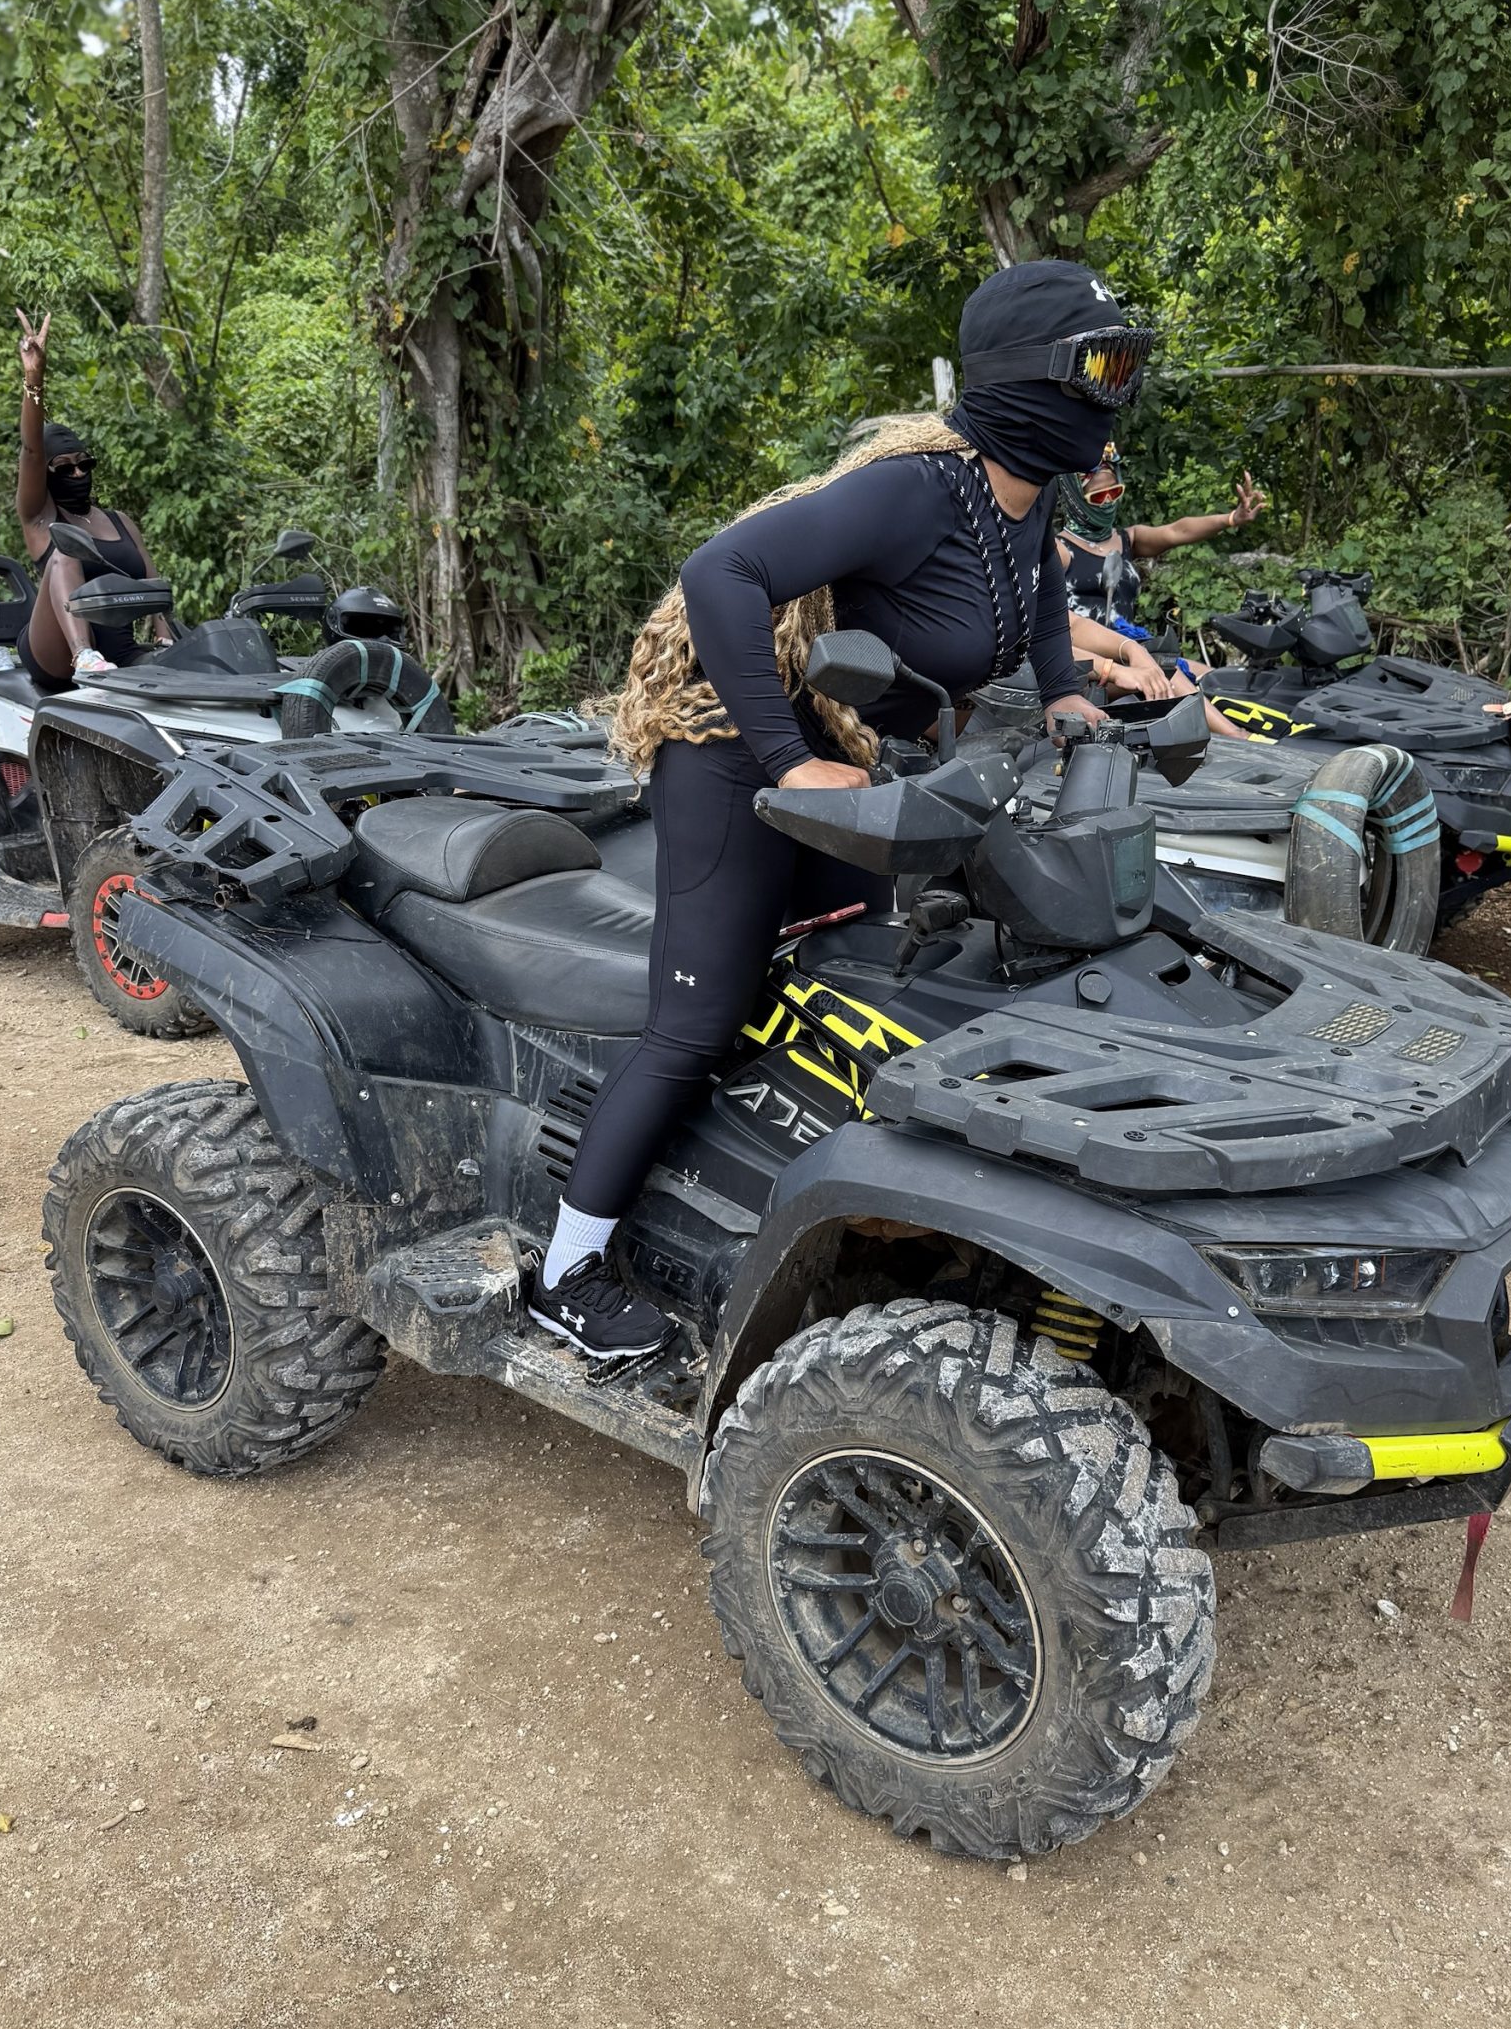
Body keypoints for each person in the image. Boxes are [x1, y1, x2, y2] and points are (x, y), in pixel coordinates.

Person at [527, 259, 1150, 1362]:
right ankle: (566, 1267)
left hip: (846, 745)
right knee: (697, 1020)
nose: (1115, 392)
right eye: (1097, 368)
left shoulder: (1027, 491)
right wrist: (782, 757)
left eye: (1125, 363)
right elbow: (722, 569)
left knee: (867, 972)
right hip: (733, 741)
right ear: (1029, 382)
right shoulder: (917, 488)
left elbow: (1040, 591)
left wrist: (1062, 691)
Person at [12, 309, 173, 691]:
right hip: (54, 653)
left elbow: (152, 585)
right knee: (67, 551)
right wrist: (34, 377)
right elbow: (33, 451)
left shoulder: (120, 521)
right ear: (48, 476)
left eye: (85, 464)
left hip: (120, 650)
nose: (79, 474)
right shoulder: (40, 517)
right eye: (65, 468)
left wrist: (167, 640)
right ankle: (83, 653)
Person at [1058, 445, 1264, 728]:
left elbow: (1177, 530)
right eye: (1098, 495)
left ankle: (1264, 729)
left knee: (1212, 676)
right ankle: (1240, 741)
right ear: (1075, 496)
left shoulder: (1126, 539)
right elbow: (1064, 627)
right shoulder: (1061, 550)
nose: (1107, 502)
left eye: (1114, 492)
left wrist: (1231, 519)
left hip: (1134, 649)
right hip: (1092, 663)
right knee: (1165, 668)